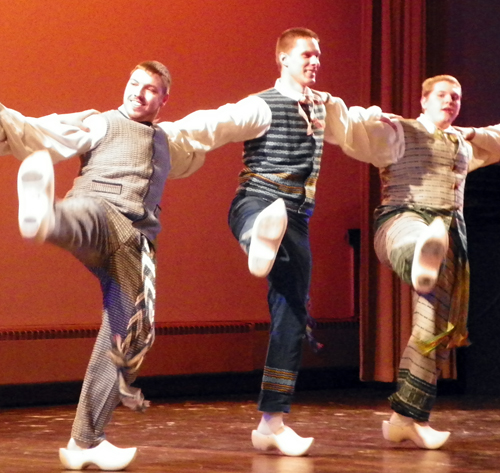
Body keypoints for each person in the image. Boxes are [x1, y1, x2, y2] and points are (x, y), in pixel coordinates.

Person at [162, 27, 389, 456]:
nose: (315, 62)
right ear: (283, 59)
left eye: (318, 55)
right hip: (256, 202)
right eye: (306, 55)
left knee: (292, 312)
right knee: (264, 223)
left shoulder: (326, 107)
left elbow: (356, 128)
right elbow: (214, 122)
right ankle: (258, 243)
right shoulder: (261, 106)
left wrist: (384, 123)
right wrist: (167, 133)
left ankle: (272, 421)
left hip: (298, 220)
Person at [0, 60, 211, 471]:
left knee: (126, 330)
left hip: (136, 243)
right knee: (86, 219)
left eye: (149, 89)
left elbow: (216, 126)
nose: (138, 92)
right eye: (133, 84)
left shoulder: (170, 141)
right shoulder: (100, 123)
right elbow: (41, 131)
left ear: (164, 100)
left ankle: (86, 441)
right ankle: (46, 219)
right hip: (100, 207)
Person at [337, 74, 500, 449]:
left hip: (449, 239)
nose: (450, 101)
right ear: (423, 100)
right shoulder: (398, 132)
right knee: (416, 238)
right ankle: (419, 254)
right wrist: (358, 116)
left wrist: (474, 133)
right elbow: (351, 131)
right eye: (442, 95)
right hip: (401, 221)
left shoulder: (464, 143)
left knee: (433, 333)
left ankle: (406, 418)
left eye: (456, 97)